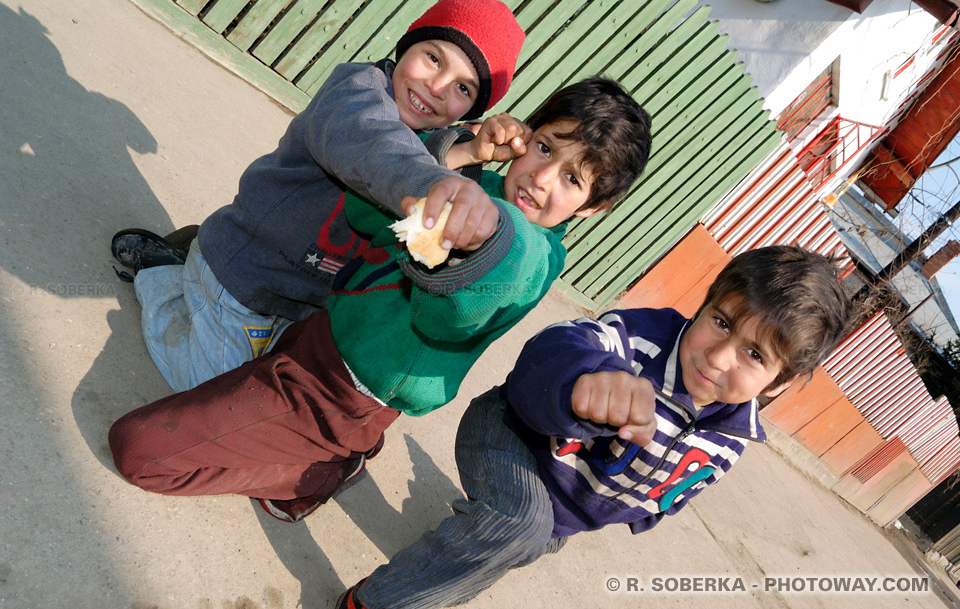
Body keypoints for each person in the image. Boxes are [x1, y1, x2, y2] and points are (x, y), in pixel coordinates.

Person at [108, 76, 654, 524]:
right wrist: (460, 156)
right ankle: (349, 447)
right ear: (525, 135)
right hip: (316, 334)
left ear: (591, 209)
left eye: (572, 179)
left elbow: (455, 308)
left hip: (339, 395)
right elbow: (370, 213)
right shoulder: (480, 186)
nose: (540, 177)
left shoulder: (531, 252)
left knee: (141, 452)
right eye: (544, 148)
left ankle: (318, 471)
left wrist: (481, 231)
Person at [333, 245, 852, 609]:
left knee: (525, 541)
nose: (718, 357)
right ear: (705, 303)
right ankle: (373, 601)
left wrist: (639, 512)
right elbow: (566, 343)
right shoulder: (640, 342)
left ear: (778, 383)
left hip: (569, 508)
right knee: (519, 527)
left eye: (754, 354)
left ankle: (492, 537)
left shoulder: (734, 439)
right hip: (511, 432)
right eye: (721, 321)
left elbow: (680, 486)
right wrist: (585, 381)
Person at [110, 0, 526, 392]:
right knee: (207, 392)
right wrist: (439, 185)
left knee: (271, 390)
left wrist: (471, 150)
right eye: (433, 58)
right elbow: (379, 149)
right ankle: (163, 276)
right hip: (244, 274)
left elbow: (420, 154)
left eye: (463, 89)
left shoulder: (424, 133)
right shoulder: (355, 93)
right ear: (407, 45)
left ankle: (196, 267)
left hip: (304, 300)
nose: (437, 88)